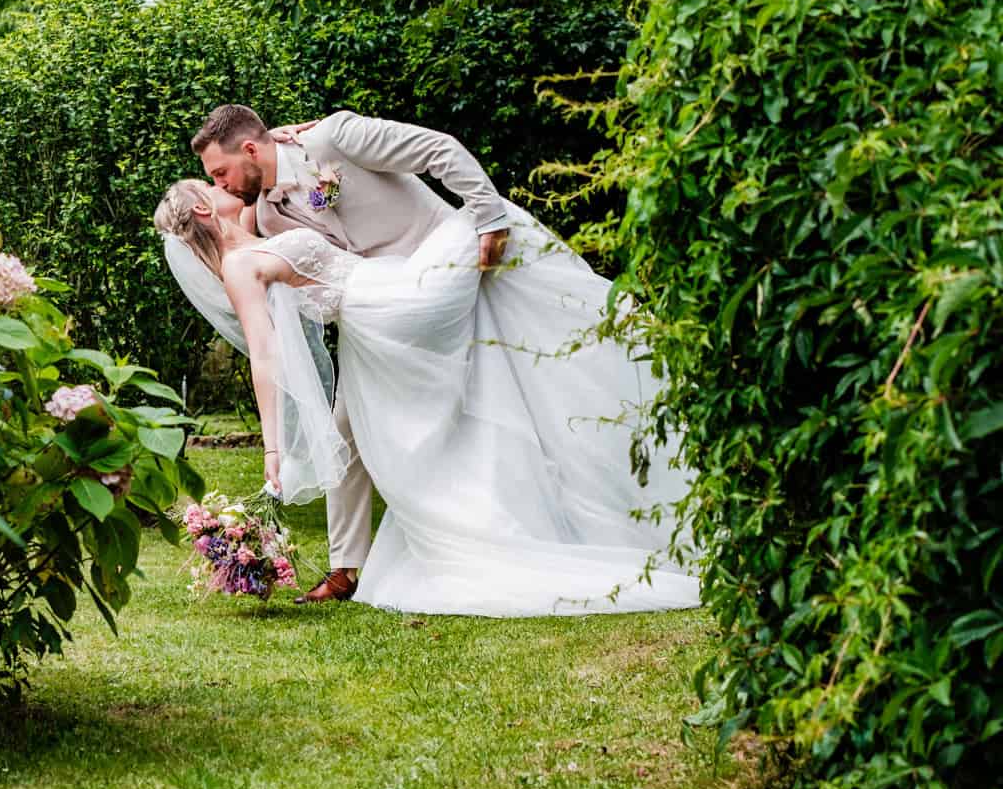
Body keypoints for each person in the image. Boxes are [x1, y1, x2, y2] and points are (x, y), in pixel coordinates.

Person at [154, 177, 700, 617]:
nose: (219, 182)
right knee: (476, 218)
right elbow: (265, 356)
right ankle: (599, 322)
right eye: (210, 184)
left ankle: (582, 334)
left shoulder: (258, 229)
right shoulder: (240, 266)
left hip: (376, 301)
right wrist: (273, 450)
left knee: (490, 284)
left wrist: (309, 159)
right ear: (204, 210)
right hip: (380, 304)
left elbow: (295, 191)